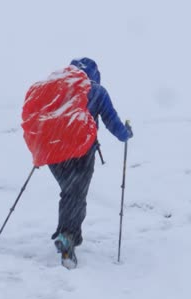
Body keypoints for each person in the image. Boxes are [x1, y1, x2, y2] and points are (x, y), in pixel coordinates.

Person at [49, 57, 132, 266]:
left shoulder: (58, 88)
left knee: (69, 193)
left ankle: (65, 234)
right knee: (76, 195)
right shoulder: (97, 92)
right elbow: (112, 121)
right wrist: (125, 134)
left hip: (54, 152)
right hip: (82, 153)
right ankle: (68, 238)